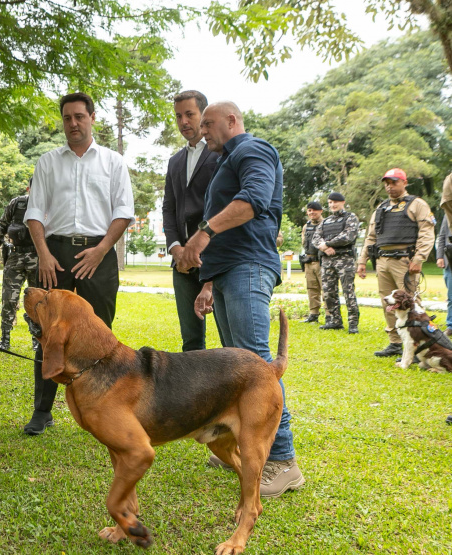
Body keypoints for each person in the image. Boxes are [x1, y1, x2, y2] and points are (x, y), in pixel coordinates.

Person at [177, 101, 304, 497]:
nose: (203, 130)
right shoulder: (227, 161)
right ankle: (237, 446)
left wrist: (202, 233)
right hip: (229, 270)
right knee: (236, 365)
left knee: (258, 370)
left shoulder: (253, 149)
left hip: (249, 266)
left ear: (232, 120)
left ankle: (282, 462)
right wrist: (209, 282)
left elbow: (253, 201)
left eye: (209, 124)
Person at [24, 92, 135, 435]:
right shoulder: (47, 162)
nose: (73, 123)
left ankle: (103, 408)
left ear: (92, 118)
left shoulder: (113, 162)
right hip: (54, 255)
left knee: (100, 335)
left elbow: (123, 212)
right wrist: (44, 254)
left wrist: (102, 250)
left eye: (79, 117)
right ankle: (42, 411)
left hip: (98, 255)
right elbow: (34, 213)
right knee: (47, 333)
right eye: (67, 118)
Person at [162, 90, 221, 352]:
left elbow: (222, 208)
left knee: (233, 341)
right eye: (178, 116)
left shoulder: (221, 155)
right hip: (183, 265)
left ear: (203, 115)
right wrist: (175, 247)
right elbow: (169, 208)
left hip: (217, 259)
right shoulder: (175, 161)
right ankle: (195, 394)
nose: (183, 121)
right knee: (191, 342)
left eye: (189, 114)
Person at [357, 168, 435, 358]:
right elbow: (371, 236)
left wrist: (419, 258)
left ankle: (417, 344)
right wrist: (362, 260)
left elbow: (426, 233)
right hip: (383, 261)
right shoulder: (381, 208)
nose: (389, 186)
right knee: (388, 303)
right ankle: (395, 342)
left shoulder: (417, 204)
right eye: (387, 183)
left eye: (394, 182)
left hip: (405, 262)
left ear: (404, 183)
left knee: (411, 303)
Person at [0, 181, 39, 351]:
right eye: (35, 187)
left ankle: (37, 340)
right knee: (9, 299)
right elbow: (2, 225)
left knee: (37, 300)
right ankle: (5, 339)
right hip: (15, 256)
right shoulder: (17, 203)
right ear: (28, 188)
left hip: (38, 257)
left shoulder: (49, 204)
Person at [313, 192, 360, 334]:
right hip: (327, 261)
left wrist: (326, 243)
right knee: (328, 292)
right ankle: (335, 320)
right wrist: (324, 248)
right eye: (330, 203)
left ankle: (353, 323)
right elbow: (315, 238)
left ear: (343, 202)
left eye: (335, 202)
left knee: (348, 292)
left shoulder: (350, 217)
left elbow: (348, 236)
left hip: (345, 259)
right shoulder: (325, 221)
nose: (333, 205)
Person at [300, 201, 324, 324]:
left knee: (326, 289)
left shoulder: (326, 224)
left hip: (322, 261)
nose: (312, 212)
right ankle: (313, 314)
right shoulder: (306, 226)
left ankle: (330, 315)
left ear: (321, 211)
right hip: (309, 261)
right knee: (312, 289)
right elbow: (304, 243)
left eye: (314, 210)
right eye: (309, 210)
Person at [435, 214, 452, 336]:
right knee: (451, 296)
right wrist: (440, 256)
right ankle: (451, 326)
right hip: (449, 261)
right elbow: (442, 236)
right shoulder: (448, 212)